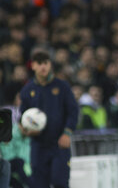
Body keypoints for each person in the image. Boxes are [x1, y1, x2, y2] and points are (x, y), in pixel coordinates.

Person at [19, 50, 79, 188]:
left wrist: (67, 133)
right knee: (38, 184)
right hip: (38, 145)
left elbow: (73, 111)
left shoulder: (62, 86)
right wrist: (26, 130)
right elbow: (23, 117)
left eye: (46, 62)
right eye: (39, 63)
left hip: (59, 143)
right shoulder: (27, 90)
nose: (43, 67)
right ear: (33, 66)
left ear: (50, 64)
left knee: (60, 183)